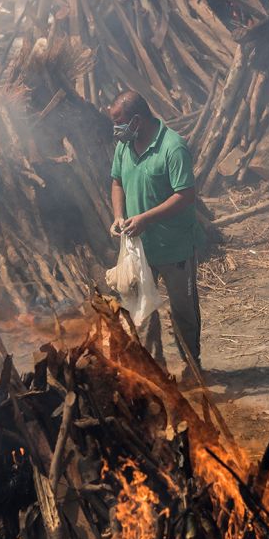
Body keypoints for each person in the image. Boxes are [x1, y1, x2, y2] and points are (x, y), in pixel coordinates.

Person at [107, 91, 204, 382]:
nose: (116, 129)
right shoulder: (124, 146)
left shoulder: (173, 147)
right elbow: (117, 181)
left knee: (183, 311)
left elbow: (185, 195)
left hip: (174, 247)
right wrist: (118, 215)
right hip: (140, 247)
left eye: (119, 122)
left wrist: (146, 218)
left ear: (137, 120)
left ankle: (192, 366)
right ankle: (154, 370)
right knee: (140, 309)